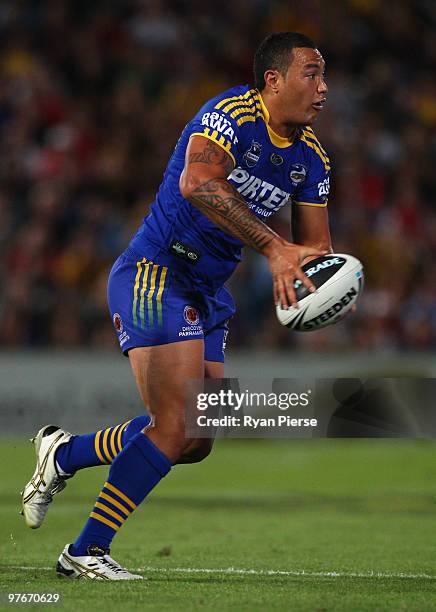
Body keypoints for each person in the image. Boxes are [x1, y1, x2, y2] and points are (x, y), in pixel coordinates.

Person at [21, 32, 332, 580]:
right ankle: (85, 551)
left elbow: (315, 249)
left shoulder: (312, 160)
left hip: (208, 291)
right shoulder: (230, 116)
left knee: (196, 438)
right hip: (156, 271)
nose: (323, 87)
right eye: (311, 73)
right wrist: (275, 249)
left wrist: (327, 287)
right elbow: (197, 183)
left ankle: (65, 454)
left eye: (325, 75)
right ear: (273, 80)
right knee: (174, 422)